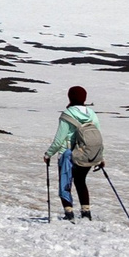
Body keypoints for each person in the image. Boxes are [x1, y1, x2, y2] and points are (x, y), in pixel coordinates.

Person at [45, 85, 104, 220]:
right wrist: (101, 157)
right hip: (88, 154)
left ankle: (69, 213)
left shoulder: (67, 114)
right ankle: (86, 213)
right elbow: (98, 137)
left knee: (65, 182)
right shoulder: (91, 113)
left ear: (70, 97)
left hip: (68, 154)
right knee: (80, 181)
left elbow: (59, 139)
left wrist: (48, 154)